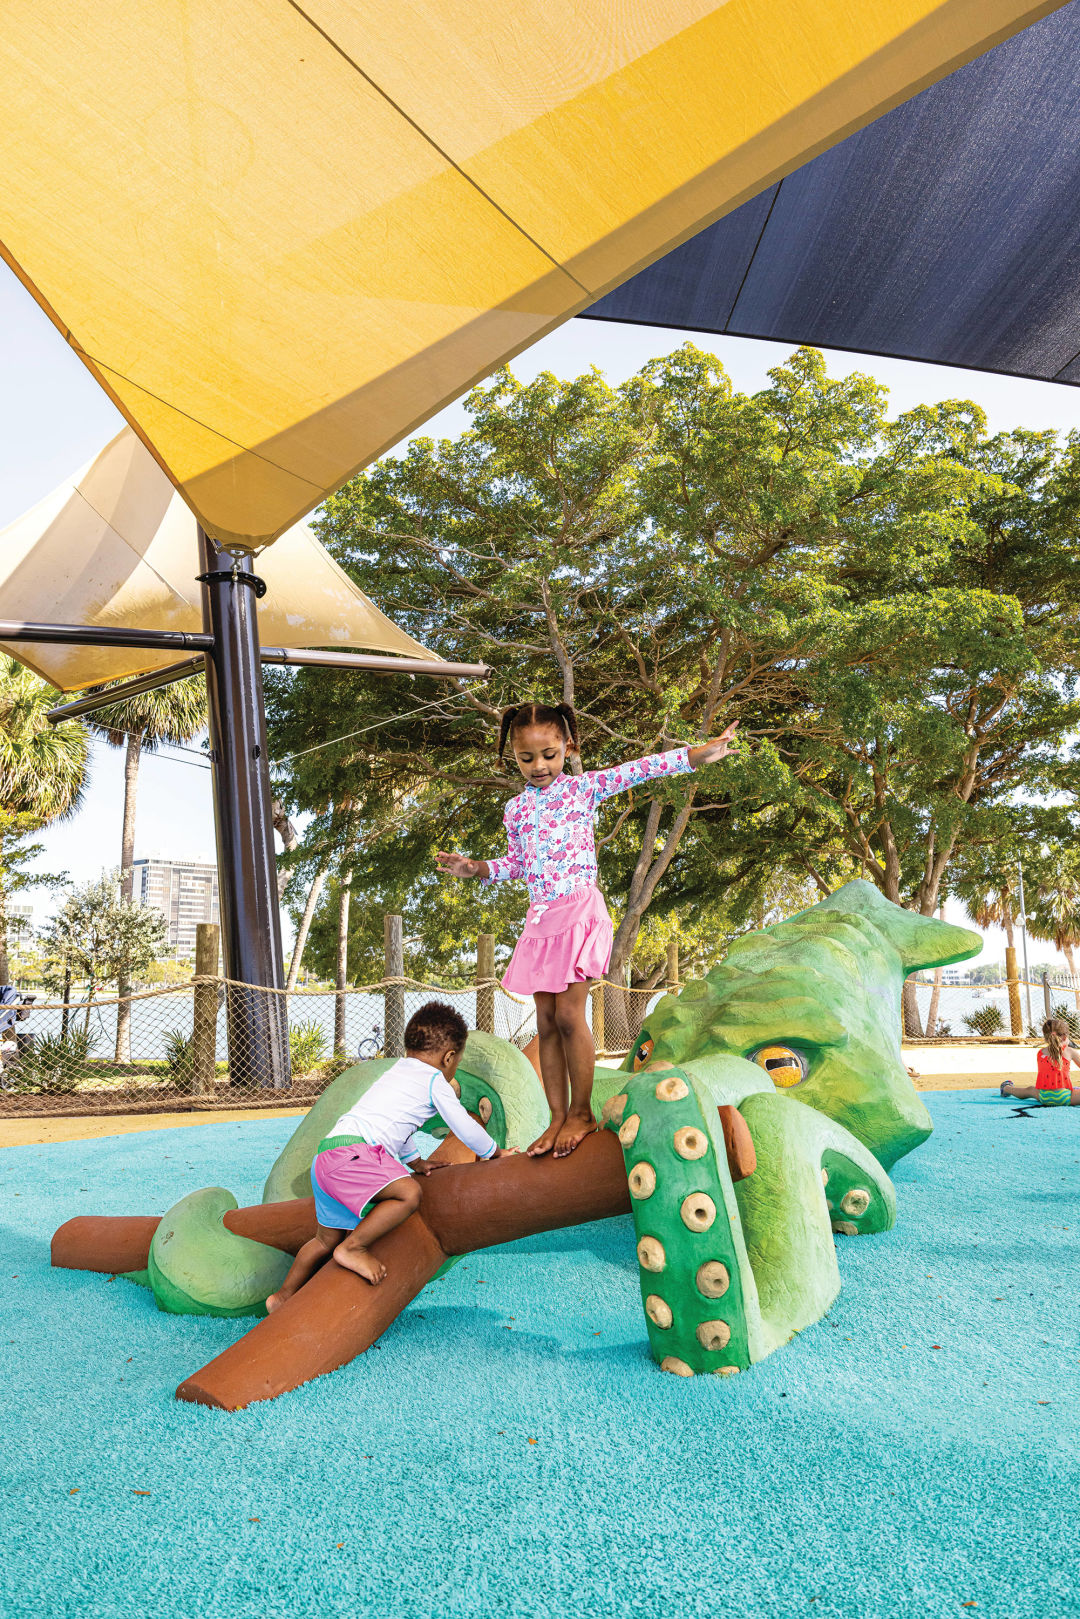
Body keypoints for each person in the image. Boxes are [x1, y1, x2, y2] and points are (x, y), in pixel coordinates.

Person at [436, 702, 739, 1157]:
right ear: (512, 756)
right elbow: (518, 864)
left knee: (569, 1015)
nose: (539, 766)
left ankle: (581, 1112)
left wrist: (698, 754)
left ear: (568, 748)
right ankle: (556, 1117)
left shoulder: (583, 789)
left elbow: (642, 768)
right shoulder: (515, 810)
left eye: (550, 754)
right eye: (527, 758)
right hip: (540, 919)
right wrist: (475, 867)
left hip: (578, 910)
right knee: (545, 1021)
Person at [267, 1001, 514, 1309]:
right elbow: (463, 1125)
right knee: (408, 1194)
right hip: (355, 1155)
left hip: (328, 1155)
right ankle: (354, 1247)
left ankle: (282, 1296)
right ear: (449, 1058)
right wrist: (495, 1152)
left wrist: (416, 1162)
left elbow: (399, 1129)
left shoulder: (397, 1071)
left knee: (323, 1240)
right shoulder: (434, 1080)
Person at [1000, 1017, 1080, 1106]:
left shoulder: (1041, 1053)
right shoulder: (1070, 1051)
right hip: (1065, 1097)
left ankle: (1006, 1088)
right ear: (1065, 1037)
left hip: (1044, 1097)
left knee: (1030, 1090)